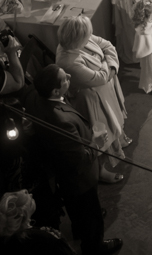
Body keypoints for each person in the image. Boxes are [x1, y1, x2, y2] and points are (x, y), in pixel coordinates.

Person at [22, 64, 123, 254]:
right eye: (65, 78)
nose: (69, 75)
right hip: (79, 178)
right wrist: (96, 142)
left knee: (75, 207)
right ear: (55, 90)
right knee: (91, 213)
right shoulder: (62, 121)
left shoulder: (34, 96)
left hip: (60, 170)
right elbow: (81, 160)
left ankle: (79, 228)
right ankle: (94, 246)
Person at [55, 16, 129, 182]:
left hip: (103, 92)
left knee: (113, 121)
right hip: (91, 102)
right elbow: (101, 77)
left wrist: (108, 66)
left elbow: (108, 45)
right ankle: (101, 171)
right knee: (101, 134)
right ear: (77, 37)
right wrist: (108, 64)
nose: (91, 36)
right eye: (88, 34)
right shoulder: (69, 61)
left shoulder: (82, 39)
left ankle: (120, 139)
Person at [0, 189, 76, 254]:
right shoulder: (41, 238)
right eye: (27, 197)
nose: (31, 194)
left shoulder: (9, 241)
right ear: (21, 214)